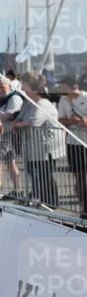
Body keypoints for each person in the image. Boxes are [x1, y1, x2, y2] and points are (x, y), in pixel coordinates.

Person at [13, 72, 64, 208]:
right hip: (34, 147)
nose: (24, 91)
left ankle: (51, 203)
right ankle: (41, 199)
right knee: (36, 174)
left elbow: (34, 121)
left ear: (35, 90)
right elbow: (20, 117)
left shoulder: (43, 104)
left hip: (46, 148)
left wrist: (18, 125)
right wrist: (18, 123)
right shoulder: (29, 104)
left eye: (26, 89)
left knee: (45, 175)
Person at [57, 76, 87, 215]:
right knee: (79, 176)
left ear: (69, 86)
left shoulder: (86, 97)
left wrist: (83, 122)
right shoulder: (63, 100)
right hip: (72, 143)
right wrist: (71, 121)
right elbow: (61, 120)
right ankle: (83, 207)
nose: (60, 89)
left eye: (62, 86)